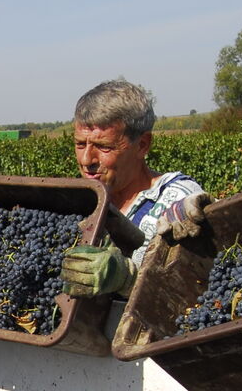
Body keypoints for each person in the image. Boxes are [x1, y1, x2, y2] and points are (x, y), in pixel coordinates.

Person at [57, 79, 207, 297]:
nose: (87, 159)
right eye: (80, 144)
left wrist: (128, 279)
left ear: (143, 145)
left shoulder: (176, 200)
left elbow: (196, 290)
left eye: (103, 147)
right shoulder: (80, 204)